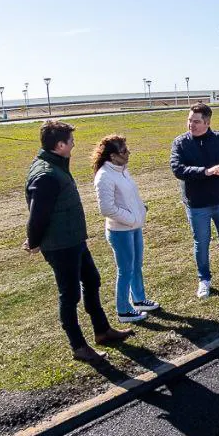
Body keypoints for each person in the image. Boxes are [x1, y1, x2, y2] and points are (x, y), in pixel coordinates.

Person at [23, 120, 133, 363]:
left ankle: (102, 330)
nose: (74, 144)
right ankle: (78, 346)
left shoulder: (56, 165)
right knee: (70, 294)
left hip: (74, 240)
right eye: (70, 140)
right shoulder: (46, 174)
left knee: (92, 280)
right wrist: (33, 241)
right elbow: (37, 214)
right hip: (61, 245)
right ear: (60, 145)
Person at [170, 103, 219, 299]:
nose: (191, 124)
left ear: (207, 122)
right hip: (197, 204)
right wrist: (205, 171)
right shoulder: (180, 143)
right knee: (201, 242)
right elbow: (177, 169)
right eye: (190, 120)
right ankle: (204, 279)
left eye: (196, 121)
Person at [92, 134, 158, 323]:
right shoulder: (104, 175)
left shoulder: (122, 170)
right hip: (120, 231)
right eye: (124, 151)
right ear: (113, 156)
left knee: (136, 265)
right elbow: (107, 208)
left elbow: (129, 197)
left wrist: (140, 210)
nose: (128, 153)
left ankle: (139, 300)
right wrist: (131, 218)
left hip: (134, 226)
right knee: (125, 270)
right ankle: (123, 310)